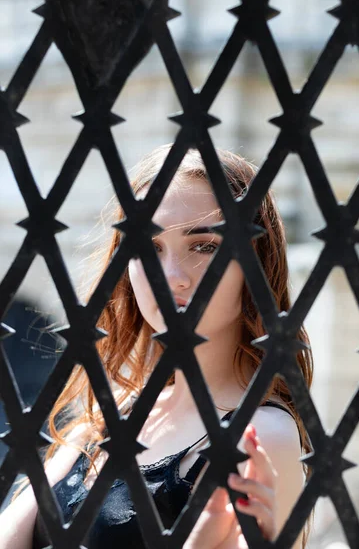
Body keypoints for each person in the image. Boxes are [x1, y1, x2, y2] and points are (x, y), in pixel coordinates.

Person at [0, 145, 313, 549]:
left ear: (258, 264)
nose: (172, 277)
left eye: (204, 246)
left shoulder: (262, 435)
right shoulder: (112, 412)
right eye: (149, 248)